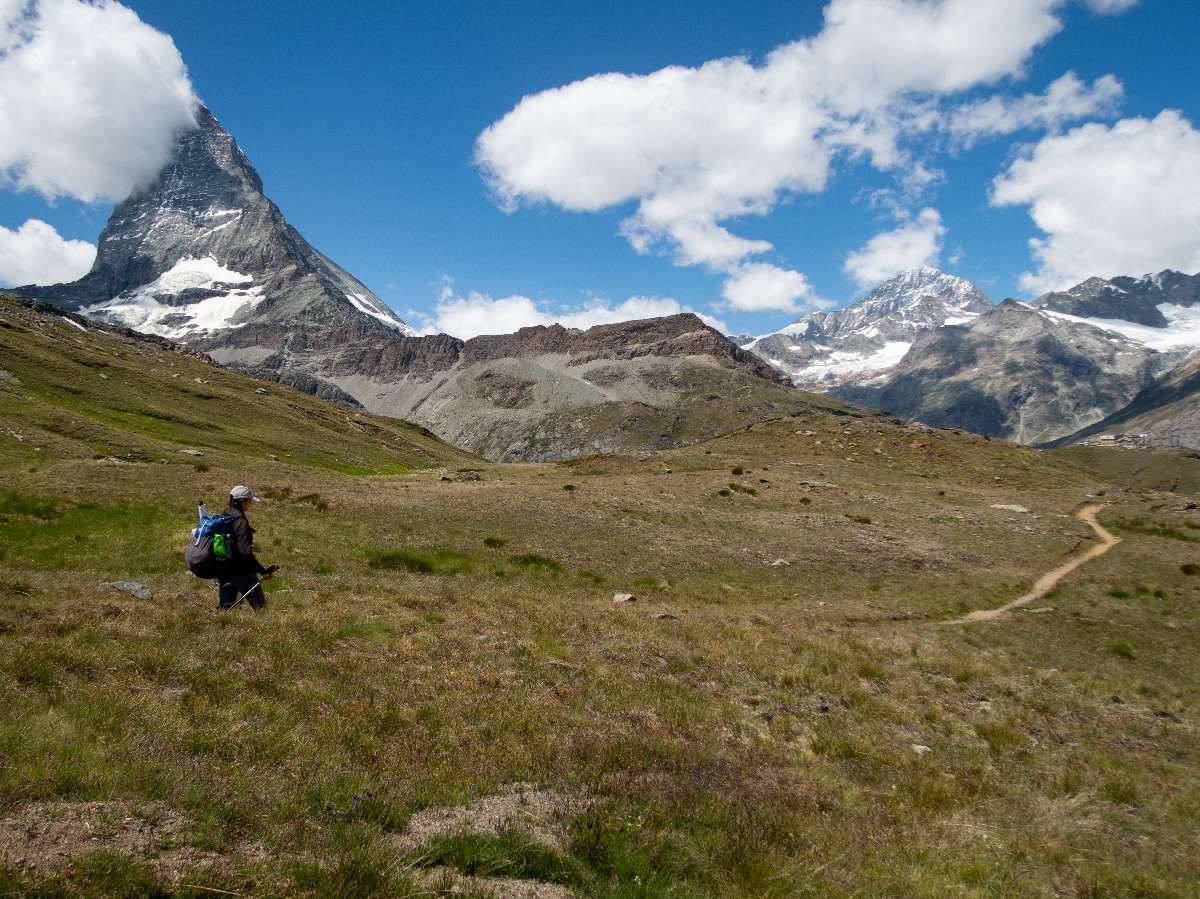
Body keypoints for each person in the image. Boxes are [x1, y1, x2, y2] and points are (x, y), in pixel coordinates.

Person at [216, 485, 275, 611]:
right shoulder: (240, 521)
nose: (251, 504)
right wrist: (262, 571)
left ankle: (218, 627)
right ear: (242, 501)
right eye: (250, 501)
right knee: (261, 609)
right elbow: (244, 553)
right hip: (242, 571)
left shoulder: (223, 516)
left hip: (223, 570)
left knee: (224, 610)